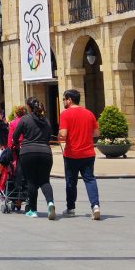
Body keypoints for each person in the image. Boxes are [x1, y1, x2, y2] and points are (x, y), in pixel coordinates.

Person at [58, 89, 100, 220]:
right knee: (90, 179)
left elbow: (63, 134)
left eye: (64, 99)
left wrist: (60, 135)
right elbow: (96, 133)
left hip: (72, 154)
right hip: (88, 153)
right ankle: (95, 206)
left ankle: (71, 208)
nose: (63, 101)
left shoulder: (65, 114)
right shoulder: (89, 113)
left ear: (69, 99)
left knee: (71, 182)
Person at [11, 96, 57, 219]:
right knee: (45, 181)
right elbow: (48, 137)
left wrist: (15, 144)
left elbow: (15, 136)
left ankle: (33, 210)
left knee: (31, 181)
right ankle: (50, 203)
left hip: (28, 152)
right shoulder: (46, 120)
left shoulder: (25, 119)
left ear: (29, 107)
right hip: (46, 153)